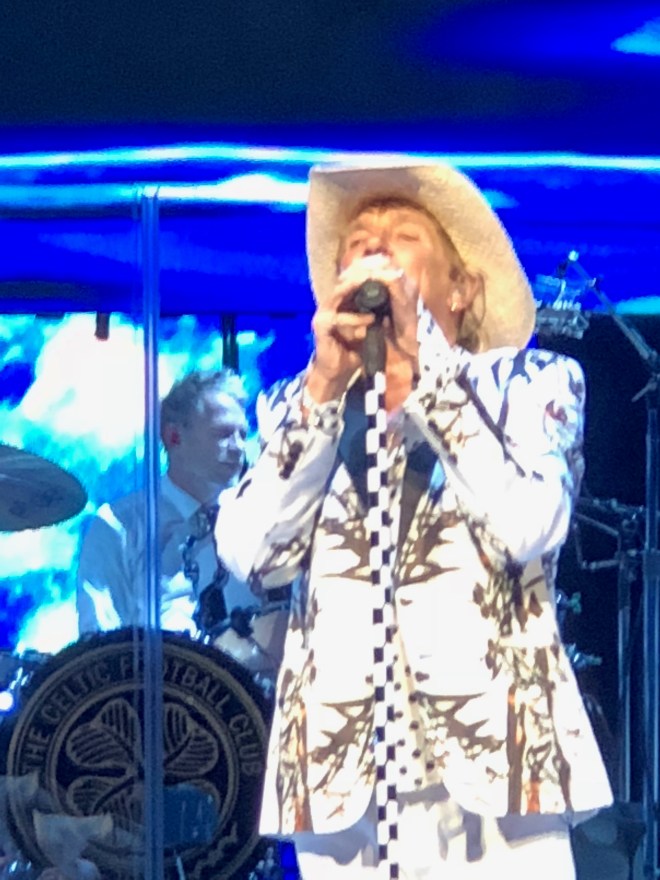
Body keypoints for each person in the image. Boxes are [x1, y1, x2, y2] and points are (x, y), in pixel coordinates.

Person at [214, 160, 614, 880]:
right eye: (357, 241)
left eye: (402, 235)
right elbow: (252, 556)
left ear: (460, 289)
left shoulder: (532, 385)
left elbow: (529, 525)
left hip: (500, 775)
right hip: (342, 786)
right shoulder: (293, 405)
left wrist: (427, 381)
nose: (374, 248)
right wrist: (322, 389)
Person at [76, 368, 259, 643]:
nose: (238, 447)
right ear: (174, 437)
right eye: (222, 434)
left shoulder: (257, 524)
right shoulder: (119, 526)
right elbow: (99, 647)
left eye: (243, 435)